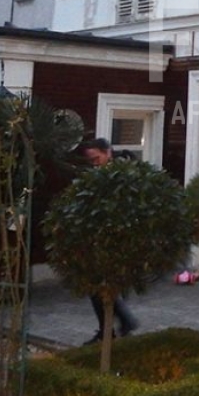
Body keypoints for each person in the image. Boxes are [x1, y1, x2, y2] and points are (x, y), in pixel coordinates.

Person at [73, 137, 140, 344]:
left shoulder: (120, 175)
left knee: (100, 286)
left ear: (108, 152)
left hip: (115, 239)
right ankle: (115, 325)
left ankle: (113, 328)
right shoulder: (99, 175)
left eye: (97, 158)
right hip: (100, 238)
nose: (94, 163)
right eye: (91, 160)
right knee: (100, 286)